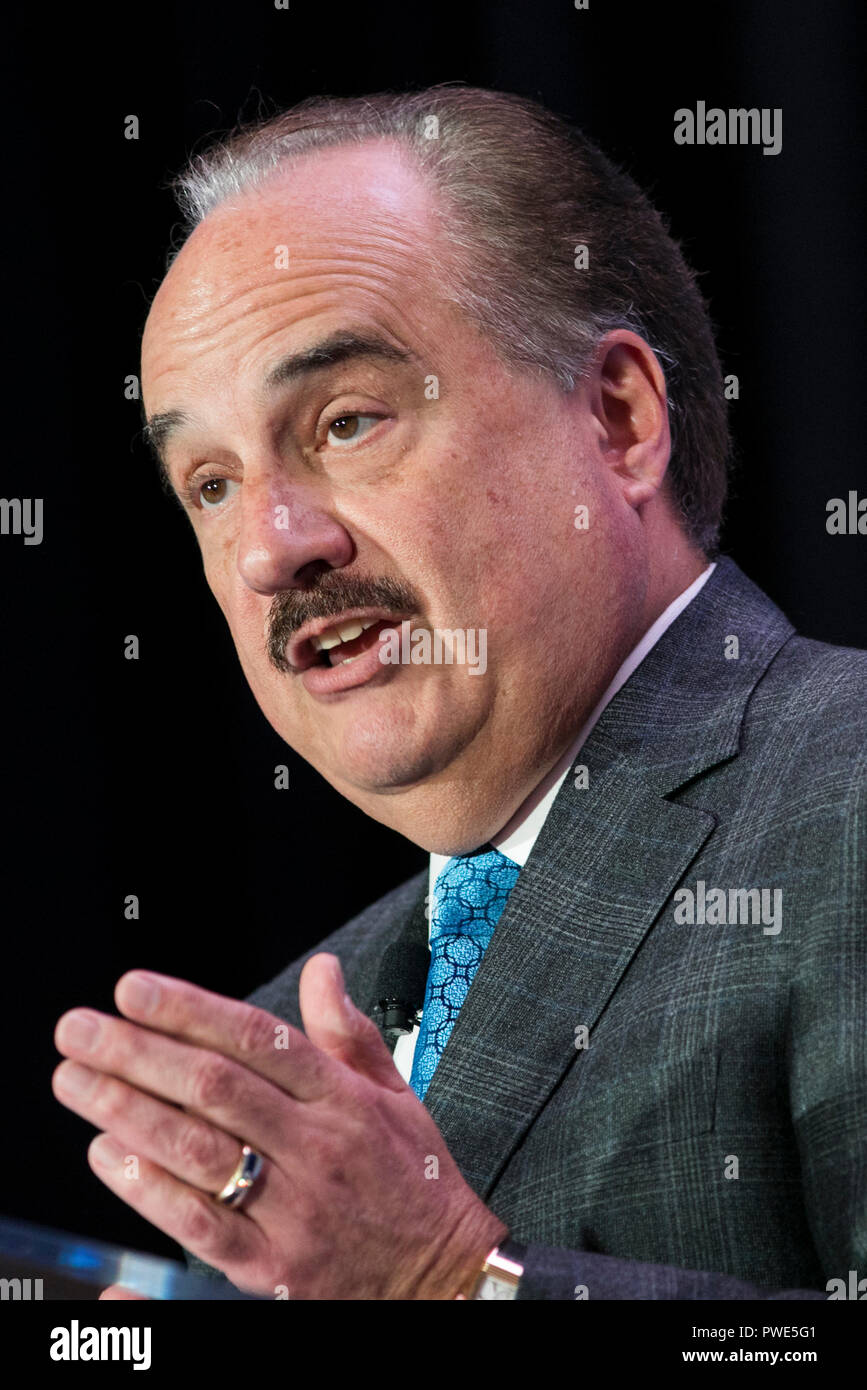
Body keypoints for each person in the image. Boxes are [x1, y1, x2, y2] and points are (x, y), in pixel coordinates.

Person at [53, 86, 865, 1300]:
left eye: (345, 420)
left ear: (619, 419)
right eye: (211, 485)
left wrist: (452, 1282)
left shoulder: (845, 796)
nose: (272, 547)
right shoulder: (297, 1036)